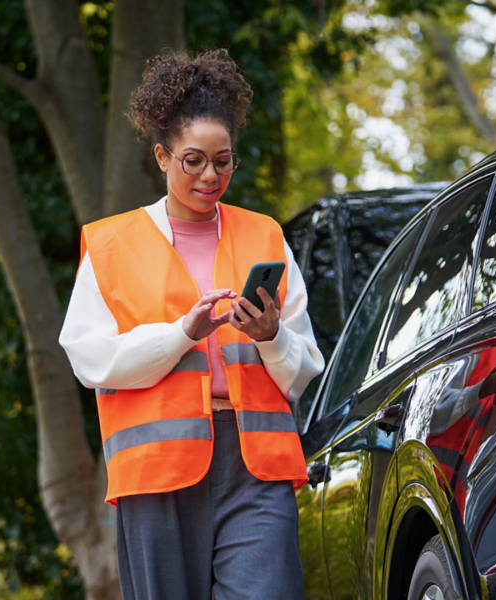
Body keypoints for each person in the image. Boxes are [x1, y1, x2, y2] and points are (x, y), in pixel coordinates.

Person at [58, 49, 324, 600]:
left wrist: (271, 336)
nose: (211, 175)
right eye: (194, 160)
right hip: (156, 473)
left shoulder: (266, 236)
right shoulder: (110, 245)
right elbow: (89, 360)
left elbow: (304, 370)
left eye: (223, 161)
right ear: (162, 156)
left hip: (257, 470)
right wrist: (182, 333)